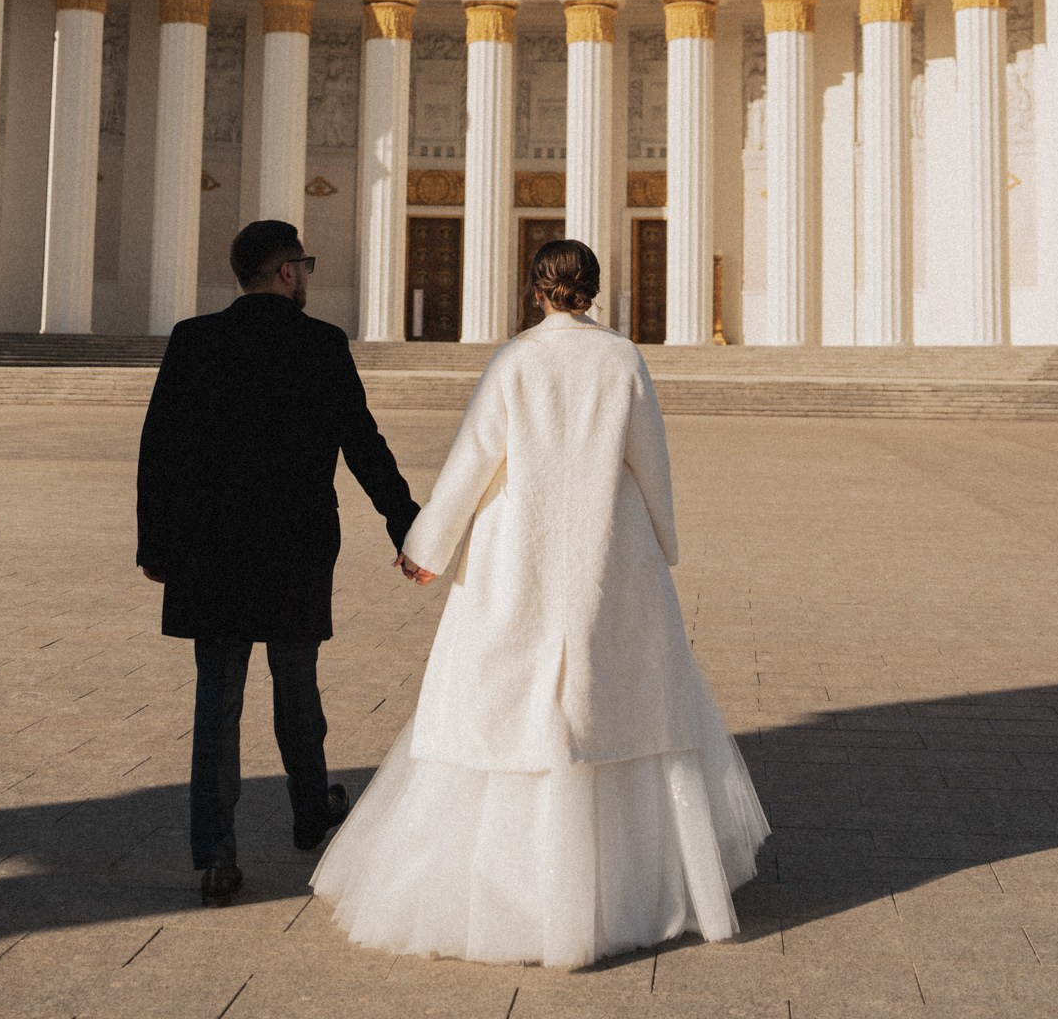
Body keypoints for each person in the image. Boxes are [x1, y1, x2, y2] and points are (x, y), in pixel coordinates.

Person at [313, 239, 768, 968]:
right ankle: (631, 886)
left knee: (503, 698)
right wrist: (664, 542)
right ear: (593, 291)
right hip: (608, 549)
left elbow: (473, 459)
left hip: (516, 547)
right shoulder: (621, 359)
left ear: (536, 292)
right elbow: (651, 458)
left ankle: (507, 894)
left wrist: (426, 550)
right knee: (618, 700)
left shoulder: (516, 360)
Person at [135, 221, 421, 908]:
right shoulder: (319, 344)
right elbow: (363, 445)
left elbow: (160, 450)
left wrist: (155, 545)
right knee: (298, 688)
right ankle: (309, 810)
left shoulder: (194, 340)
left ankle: (215, 855)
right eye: (305, 264)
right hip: (294, 545)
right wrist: (408, 524)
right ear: (287, 272)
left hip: (212, 550)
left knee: (217, 701)